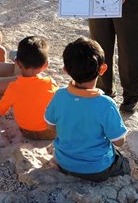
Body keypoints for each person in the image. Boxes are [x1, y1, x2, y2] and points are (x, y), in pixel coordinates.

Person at [44, 37, 130, 182]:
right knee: (124, 163)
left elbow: (50, 125)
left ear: (65, 70)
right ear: (102, 69)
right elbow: (118, 141)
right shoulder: (106, 104)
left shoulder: (59, 95)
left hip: (64, 162)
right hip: (97, 169)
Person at [0, 36, 58, 140]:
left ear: (17, 63)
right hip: (49, 132)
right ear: (45, 65)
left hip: (26, 131)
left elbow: (0, 110)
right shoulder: (50, 83)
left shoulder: (13, 87)